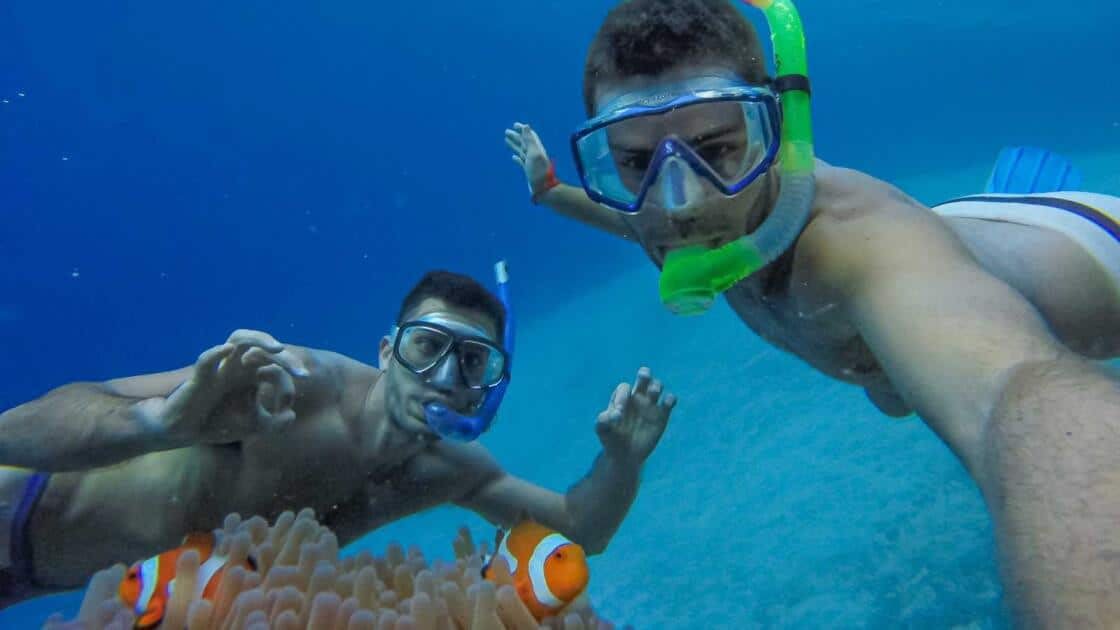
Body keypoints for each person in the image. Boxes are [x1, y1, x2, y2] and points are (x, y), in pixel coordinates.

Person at [502, 0, 1120, 624]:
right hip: (986, 226)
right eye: (635, 162)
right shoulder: (689, 223)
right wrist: (552, 193)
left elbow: (1013, 398)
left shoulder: (853, 249)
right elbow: (632, 221)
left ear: (775, 131)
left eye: (714, 151)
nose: (678, 205)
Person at [0, 266, 676, 606]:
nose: (444, 374)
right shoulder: (293, 384)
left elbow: (577, 530)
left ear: (491, 382)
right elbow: (33, 421)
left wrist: (620, 461)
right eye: (427, 346)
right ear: (386, 351)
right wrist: (157, 424)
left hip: (34, 586)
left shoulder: (450, 471)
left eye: (472, 361)